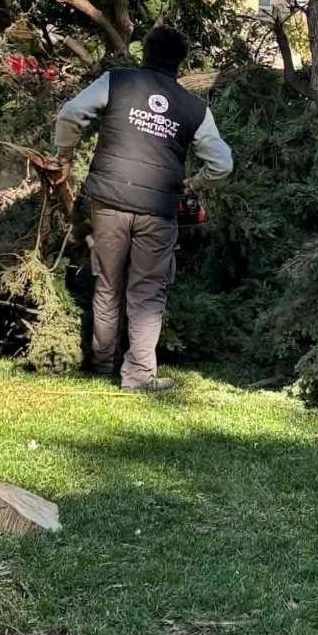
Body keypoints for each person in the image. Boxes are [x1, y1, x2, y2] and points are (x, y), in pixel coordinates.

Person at [53, 26, 233, 393]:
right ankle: (137, 376)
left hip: (108, 201)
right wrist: (195, 184)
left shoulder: (117, 81)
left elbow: (71, 113)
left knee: (107, 284)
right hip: (159, 210)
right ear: (180, 62)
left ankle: (102, 364)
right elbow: (222, 164)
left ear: (144, 52)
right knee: (147, 292)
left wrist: (65, 157)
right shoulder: (195, 107)